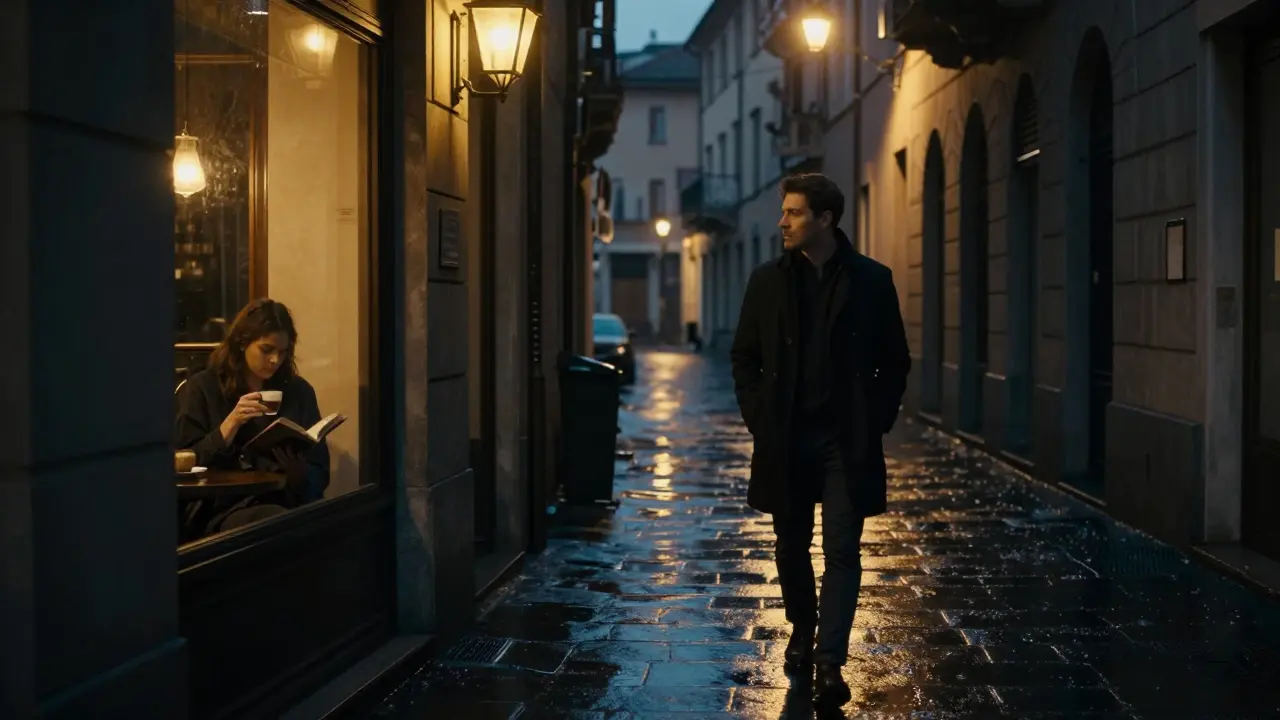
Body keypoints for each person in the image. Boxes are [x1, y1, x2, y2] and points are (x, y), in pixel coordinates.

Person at [730, 173, 910, 707]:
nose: (782, 222)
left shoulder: (872, 280)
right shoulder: (767, 281)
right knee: (790, 547)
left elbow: (894, 361)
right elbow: (745, 357)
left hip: (844, 440)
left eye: (794, 213)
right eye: (783, 212)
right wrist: (760, 417)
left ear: (825, 219)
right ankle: (802, 633)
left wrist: (875, 418)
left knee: (843, 551)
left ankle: (830, 661)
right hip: (786, 437)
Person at [174, 298, 331, 536]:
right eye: (267, 350)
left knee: (324, 521)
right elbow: (183, 463)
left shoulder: (298, 392)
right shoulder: (203, 388)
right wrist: (228, 427)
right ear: (242, 343)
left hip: (285, 500)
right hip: (224, 507)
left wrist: (301, 475)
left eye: (282, 352)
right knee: (276, 525)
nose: (275, 360)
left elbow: (320, 470)